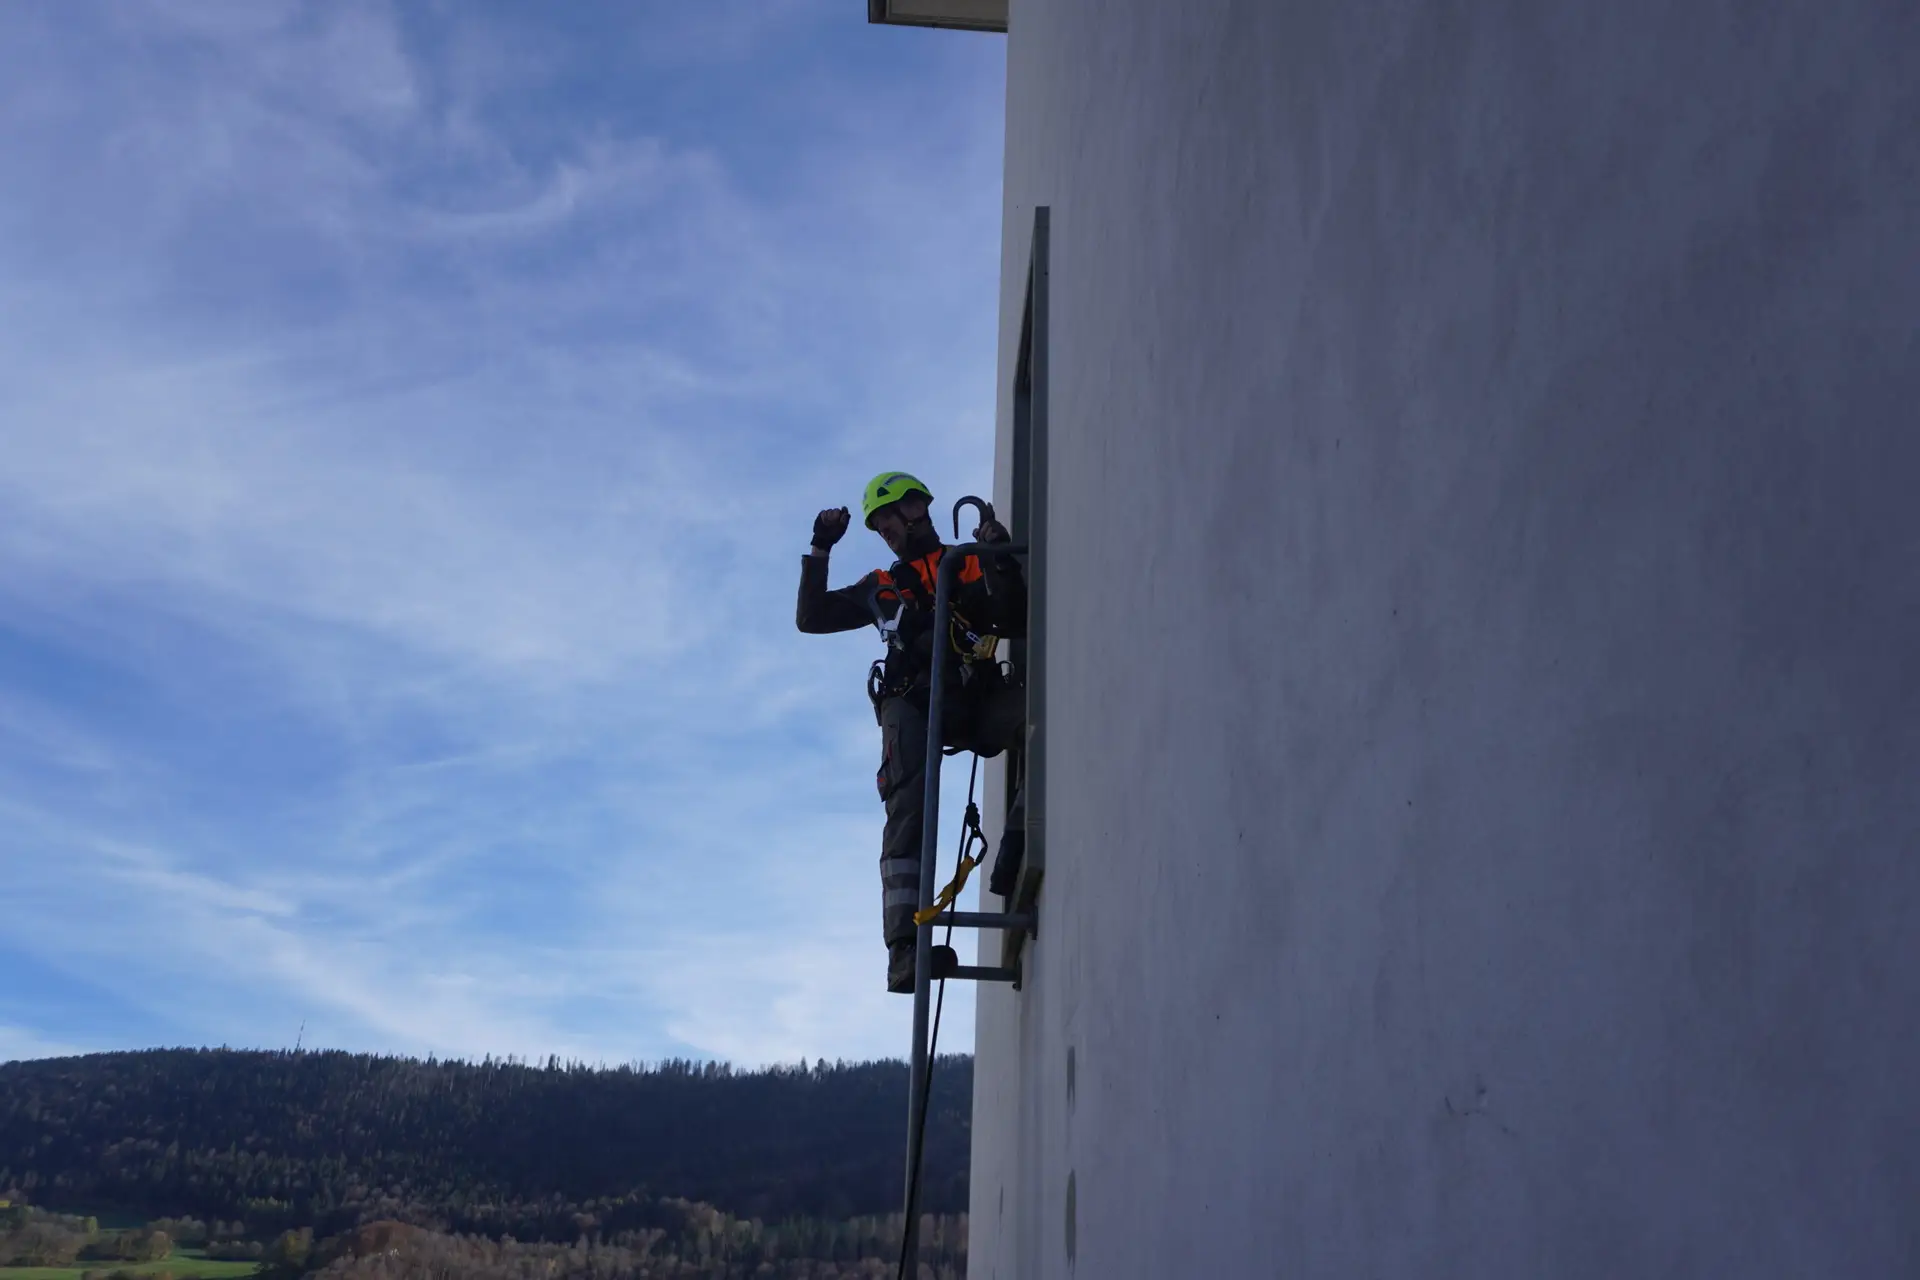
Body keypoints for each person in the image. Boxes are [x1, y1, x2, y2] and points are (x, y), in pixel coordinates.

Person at [796, 471, 1027, 992]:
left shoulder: (967, 562)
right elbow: (811, 617)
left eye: (888, 519)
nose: (885, 532)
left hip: (974, 698)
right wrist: (820, 547)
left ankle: (1016, 847)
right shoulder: (882, 584)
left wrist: (1001, 558)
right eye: (877, 527)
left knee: (1035, 723)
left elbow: (1013, 619)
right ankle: (904, 950)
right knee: (908, 806)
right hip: (913, 702)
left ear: (917, 508)